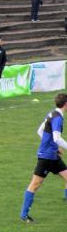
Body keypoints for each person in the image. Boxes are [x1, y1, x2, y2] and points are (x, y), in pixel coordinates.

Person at [19, 93, 67, 223]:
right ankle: (24, 215)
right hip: (46, 157)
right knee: (35, 184)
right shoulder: (57, 118)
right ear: (66, 104)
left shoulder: (52, 113)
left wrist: (55, 147)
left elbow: (40, 131)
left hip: (53, 155)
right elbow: (57, 138)